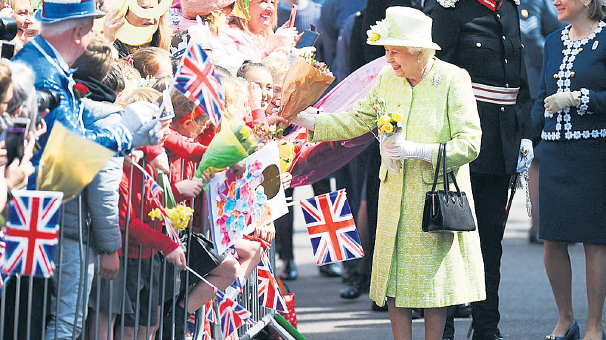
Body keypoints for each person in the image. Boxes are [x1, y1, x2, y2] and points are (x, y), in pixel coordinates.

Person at [290, 7, 485, 340]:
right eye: (386, 50)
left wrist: (417, 150)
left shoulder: (453, 79)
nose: (388, 58)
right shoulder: (385, 79)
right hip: (393, 198)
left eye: (395, 50)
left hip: (432, 200)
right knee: (394, 283)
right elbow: (352, 121)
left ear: (419, 51)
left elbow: (470, 144)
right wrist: (304, 118)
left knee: (432, 287)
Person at [12, 1, 164, 338]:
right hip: (41, 205)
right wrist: (125, 129)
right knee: (48, 319)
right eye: (91, 27)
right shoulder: (46, 72)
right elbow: (73, 147)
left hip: (41, 205)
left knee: (30, 316)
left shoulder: (41, 61)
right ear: (80, 31)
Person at [430, 1, 534, 339]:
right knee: (449, 238)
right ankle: (443, 328)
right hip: (461, 141)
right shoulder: (450, 8)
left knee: (490, 240)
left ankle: (487, 325)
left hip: (501, 142)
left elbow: (519, 79)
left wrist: (525, 133)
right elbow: (436, 77)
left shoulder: (510, 9)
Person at [531, 1, 606, 339]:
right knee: (552, 238)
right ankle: (565, 320)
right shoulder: (552, 41)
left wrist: (580, 98)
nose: (555, 1)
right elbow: (542, 96)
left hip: (593, 151)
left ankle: (594, 326)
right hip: (554, 151)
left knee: (594, 240)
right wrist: (525, 141)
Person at [518, 0, 564, 244]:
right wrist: (566, 57)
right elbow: (531, 38)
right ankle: (540, 225)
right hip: (539, 87)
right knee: (537, 160)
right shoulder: (531, 1)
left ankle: (549, 223)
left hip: (549, 88)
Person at [228, 0, 298, 60]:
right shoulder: (231, 36)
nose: (271, 8)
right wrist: (272, 48)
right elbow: (248, 71)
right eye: (263, 1)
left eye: (272, 2)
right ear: (242, 6)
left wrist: (288, 46)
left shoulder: (267, 37)